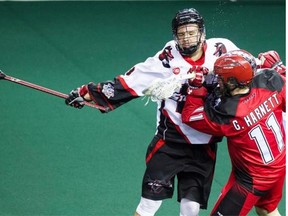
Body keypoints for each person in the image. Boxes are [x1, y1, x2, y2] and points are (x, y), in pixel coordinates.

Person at [65, 8, 241, 216]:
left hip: (204, 146)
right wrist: (87, 93)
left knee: (191, 209)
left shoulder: (222, 49)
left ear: (202, 32)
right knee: (148, 205)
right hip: (170, 143)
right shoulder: (166, 60)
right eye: (181, 34)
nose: (186, 38)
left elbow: (247, 70)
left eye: (191, 32)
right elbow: (128, 83)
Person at [182, 50, 286, 216]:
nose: (218, 81)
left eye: (221, 78)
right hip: (279, 166)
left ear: (233, 81)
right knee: (266, 209)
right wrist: (280, 69)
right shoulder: (271, 80)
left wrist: (195, 88)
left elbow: (189, 116)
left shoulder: (228, 113)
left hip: (250, 181)